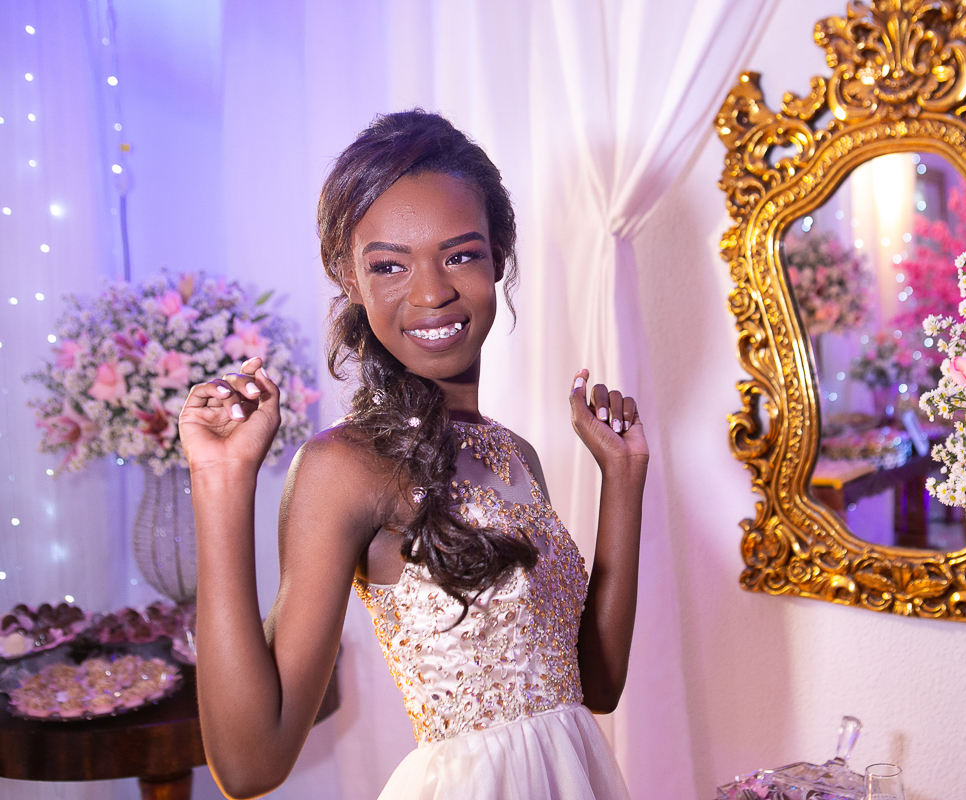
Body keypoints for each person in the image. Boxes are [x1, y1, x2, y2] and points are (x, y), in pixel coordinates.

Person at [178, 110, 647, 800]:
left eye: (460, 255)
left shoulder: (514, 453)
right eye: (390, 265)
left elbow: (595, 687)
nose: (431, 293)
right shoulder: (345, 468)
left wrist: (624, 479)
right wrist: (219, 481)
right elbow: (250, 766)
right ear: (349, 275)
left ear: (498, 259)